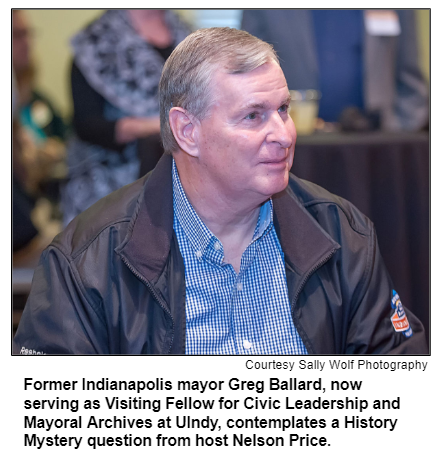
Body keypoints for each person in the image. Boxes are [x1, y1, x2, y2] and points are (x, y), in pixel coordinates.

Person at [13, 28, 427, 355]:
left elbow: (401, 392)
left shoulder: (344, 235)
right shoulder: (86, 261)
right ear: (187, 132)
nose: (283, 135)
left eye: (282, 110)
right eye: (253, 116)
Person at [62, 9, 190, 226]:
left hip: (186, 177)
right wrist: (156, 126)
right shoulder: (96, 44)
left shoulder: (187, 35)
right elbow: (88, 125)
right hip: (113, 184)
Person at [242, 9, 429, 131]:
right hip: (296, 147)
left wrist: (398, 130)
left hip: (377, 145)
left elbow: (410, 77)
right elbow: (248, 77)